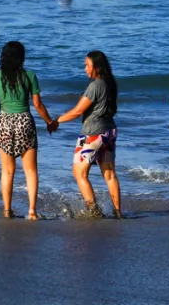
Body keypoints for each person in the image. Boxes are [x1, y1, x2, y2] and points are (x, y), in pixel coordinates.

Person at [0, 41, 56, 220]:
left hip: (5, 123)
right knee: (30, 171)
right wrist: (50, 122)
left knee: (7, 171)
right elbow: (37, 104)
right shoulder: (29, 76)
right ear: (21, 57)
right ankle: (32, 211)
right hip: (25, 121)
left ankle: (7, 211)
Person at [49, 51, 121, 218]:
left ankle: (93, 210)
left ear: (97, 67)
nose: (85, 69)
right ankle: (118, 213)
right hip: (109, 131)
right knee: (109, 175)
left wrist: (56, 121)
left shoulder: (95, 86)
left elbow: (77, 111)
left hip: (93, 134)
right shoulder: (110, 83)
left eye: (87, 65)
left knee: (79, 173)